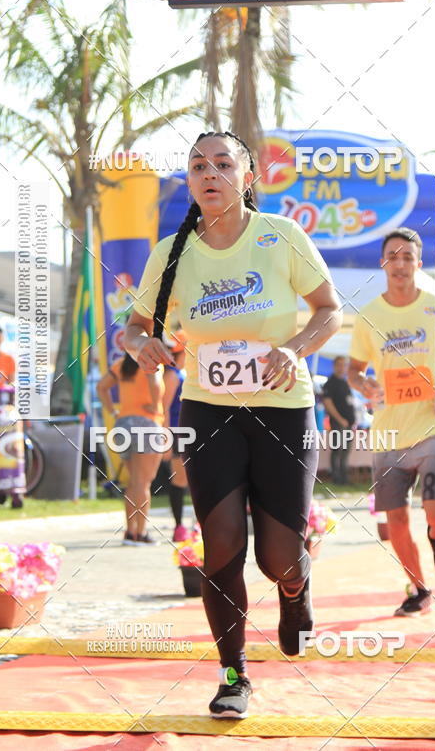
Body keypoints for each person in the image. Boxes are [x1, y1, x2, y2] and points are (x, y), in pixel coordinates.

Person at [125, 130, 341, 718]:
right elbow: (136, 324)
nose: (209, 173)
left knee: (277, 558)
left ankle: (295, 593)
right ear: (190, 182)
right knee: (220, 543)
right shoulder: (171, 252)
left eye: (224, 164)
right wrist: (139, 344)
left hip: (283, 409)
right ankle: (232, 675)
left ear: (249, 177)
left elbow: (329, 309)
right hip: (208, 408)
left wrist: (295, 349)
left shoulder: (281, 238)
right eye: (198, 166)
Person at [348, 227, 435, 616]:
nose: (401, 263)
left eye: (408, 257)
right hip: (388, 432)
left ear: (418, 264)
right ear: (383, 263)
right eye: (394, 256)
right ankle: (419, 589)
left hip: (432, 429)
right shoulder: (368, 315)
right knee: (396, 521)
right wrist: (365, 385)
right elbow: (355, 370)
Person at [97, 352, 164, 545]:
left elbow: (101, 387)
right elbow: (155, 383)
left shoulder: (121, 364)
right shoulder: (152, 361)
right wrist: (155, 405)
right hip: (147, 424)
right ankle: (140, 534)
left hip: (123, 424)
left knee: (134, 482)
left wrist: (112, 411)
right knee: (144, 483)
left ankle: (129, 531)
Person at [162, 330, 190, 542]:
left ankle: (190, 525)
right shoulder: (172, 373)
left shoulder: (183, 372)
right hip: (178, 432)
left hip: (190, 430)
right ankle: (179, 526)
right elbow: (164, 406)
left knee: (193, 479)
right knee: (180, 479)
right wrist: (165, 438)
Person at [322, 356, 356, 484]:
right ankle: (336, 478)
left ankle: (344, 478)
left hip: (349, 423)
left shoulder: (346, 382)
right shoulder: (330, 383)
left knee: (346, 451)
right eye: (339, 365)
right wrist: (340, 419)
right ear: (334, 366)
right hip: (338, 423)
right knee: (337, 450)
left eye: (344, 365)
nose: (342, 367)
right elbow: (328, 403)